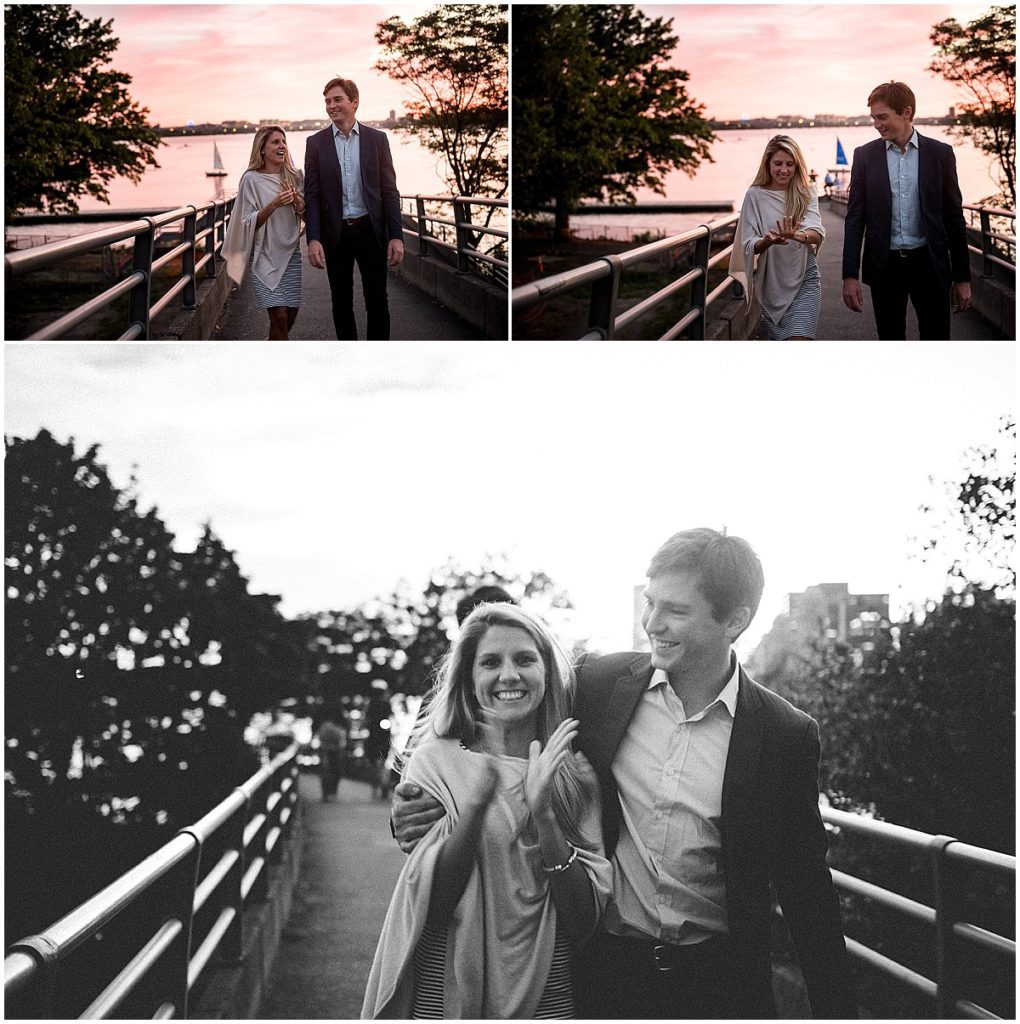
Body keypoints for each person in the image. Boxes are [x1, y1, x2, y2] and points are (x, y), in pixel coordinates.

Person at [393, 530, 855, 1019]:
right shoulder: (597, 686)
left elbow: (807, 891)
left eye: (676, 611)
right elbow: (493, 733)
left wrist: (838, 1010)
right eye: (650, 603)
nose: (653, 623)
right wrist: (415, 807)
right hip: (606, 975)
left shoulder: (783, 734)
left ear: (734, 621)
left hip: (718, 985)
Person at [362, 603, 611, 1019]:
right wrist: (476, 804)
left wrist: (545, 815)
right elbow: (434, 903)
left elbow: (583, 919)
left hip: (547, 994)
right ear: (469, 678)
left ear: (547, 672)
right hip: (446, 992)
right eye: (490, 662)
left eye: (525, 659)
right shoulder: (434, 762)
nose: (509, 675)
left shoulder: (574, 772)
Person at [841, 81, 971, 339]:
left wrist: (963, 277)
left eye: (883, 117)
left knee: (937, 341)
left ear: (907, 112)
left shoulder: (940, 154)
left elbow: (954, 218)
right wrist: (849, 275)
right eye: (873, 118)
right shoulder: (864, 156)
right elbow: (855, 219)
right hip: (884, 266)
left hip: (930, 265)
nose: (876, 124)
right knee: (891, 341)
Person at [304, 76, 405, 340]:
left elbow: (389, 192)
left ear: (354, 102)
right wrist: (313, 238)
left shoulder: (377, 140)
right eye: (327, 101)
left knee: (377, 300)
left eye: (337, 99)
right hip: (335, 235)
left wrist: (396, 234)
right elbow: (312, 196)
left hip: (371, 231)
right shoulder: (315, 144)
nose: (331, 106)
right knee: (341, 302)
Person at [730, 135, 826, 339]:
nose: (784, 170)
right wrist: (767, 241)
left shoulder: (806, 191)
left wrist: (797, 235)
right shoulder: (755, 195)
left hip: (805, 279)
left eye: (790, 164)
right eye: (778, 163)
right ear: (767, 164)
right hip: (773, 283)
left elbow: (817, 234)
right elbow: (748, 243)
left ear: (797, 165)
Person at [222, 125, 304, 339]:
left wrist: (295, 199)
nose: (282, 146)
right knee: (279, 316)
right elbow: (246, 221)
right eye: (275, 142)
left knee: (291, 316)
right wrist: (274, 204)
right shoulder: (251, 179)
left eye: (283, 142)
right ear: (262, 149)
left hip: (291, 254)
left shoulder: (295, 176)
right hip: (264, 255)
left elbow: (307, 215)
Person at [316, 708, 347, 802]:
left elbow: (321, 737)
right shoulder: (340, 727)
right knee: (335, 772)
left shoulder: (325, 726)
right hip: (336, 751)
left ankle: (326, 793)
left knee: (326, 772)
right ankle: (332, 792)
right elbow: (341, 740)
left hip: (325, 750)